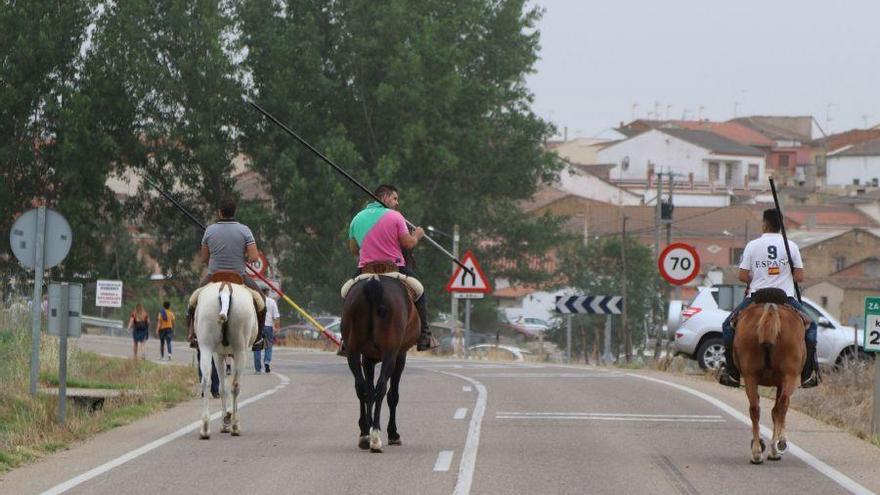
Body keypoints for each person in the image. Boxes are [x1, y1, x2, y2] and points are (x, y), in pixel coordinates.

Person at [718, 208, 819, 388]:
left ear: (764, 224)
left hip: (757, 296)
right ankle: (807, 374)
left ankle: (732, 373)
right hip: (785, 297)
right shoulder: (791, 246)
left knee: (727, 326)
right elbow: (800, 276)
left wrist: (758, 276)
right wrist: (783, 274)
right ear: (782, 225)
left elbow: (742, 275)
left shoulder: (752, 245)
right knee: (811, 327)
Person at [344, 184, 438, 353]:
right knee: (420, 292)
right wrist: (417, 235)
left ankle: (346, 338)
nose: (396, 202)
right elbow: (408, 244)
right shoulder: (395, 216)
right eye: (394, 198)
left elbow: (353, 249)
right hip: (394, 268)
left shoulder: (356, 218)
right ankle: (425, 334)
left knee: (346, 293)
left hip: (366, 270)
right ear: (384, 197)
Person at [186, 197, 265, 351]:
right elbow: (254, 257)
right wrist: (243, 256)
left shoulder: (209, 230)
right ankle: (259, 338)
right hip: (239, 277)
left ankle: (193, 334)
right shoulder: (245, 230)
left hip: (214, 276)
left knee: (192, 302)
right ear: (234, 212)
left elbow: (204, 258)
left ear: (219, 213)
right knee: (261, 301)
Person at [254, 287, 281, 374]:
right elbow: (276, 316)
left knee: (257, 347)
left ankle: (258, 369)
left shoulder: (256, 301)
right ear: (267, 292)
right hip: (268, 326)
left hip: (258, 327)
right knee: (268, 346)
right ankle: (267, 362)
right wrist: (277, 327)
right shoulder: (272, 301)